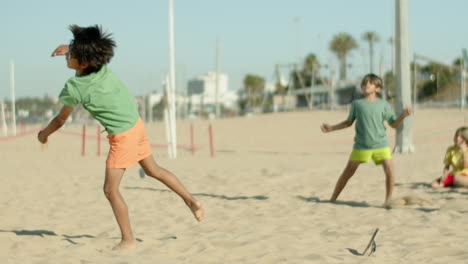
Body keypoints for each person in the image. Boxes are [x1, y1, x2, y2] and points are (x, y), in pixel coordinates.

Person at [38, 25, 204, 250]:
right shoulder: (101, 67)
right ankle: (191, 200)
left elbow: (59, 120)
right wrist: (68, 48)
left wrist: (44, 134)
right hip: (135, 124)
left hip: (123, 137)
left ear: (84, 63)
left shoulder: (74, 86)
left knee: (110, 190)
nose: (67, 55)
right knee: (153, 170)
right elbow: (92, 53)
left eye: (71, 54)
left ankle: (128, 239)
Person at [321, 73, 412, 207]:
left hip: (381, 144)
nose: (366, 85)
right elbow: (348, 122)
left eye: (369, 83)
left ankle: (388, 200)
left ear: (378, 88)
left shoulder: (384, 105)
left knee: (390, 170)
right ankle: (333, 198)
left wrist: (403, 115)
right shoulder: (357, 104)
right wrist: (332, 128)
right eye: (364, 83)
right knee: (348, 172)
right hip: (361, 145)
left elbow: (393, 124)